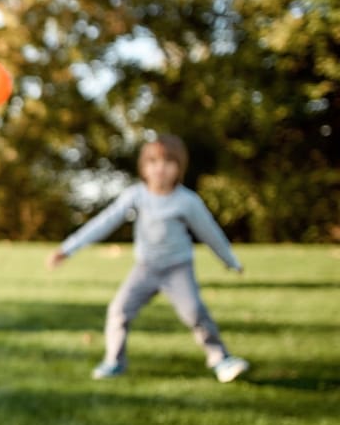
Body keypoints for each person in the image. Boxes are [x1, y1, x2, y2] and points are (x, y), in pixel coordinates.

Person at [47, 133, 249, 383]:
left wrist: (230, 260)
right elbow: (104, 222)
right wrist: (67, 248)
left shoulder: (187, 201)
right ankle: (114, 362)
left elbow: (210, 233)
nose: (160, 169)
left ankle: (221, 359)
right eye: (153, 162)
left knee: (195, 312)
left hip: (177, 269)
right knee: (119, 310)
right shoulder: (137, 196)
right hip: (146, 269)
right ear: (144, 168)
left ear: (179, 168)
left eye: (167, 163)